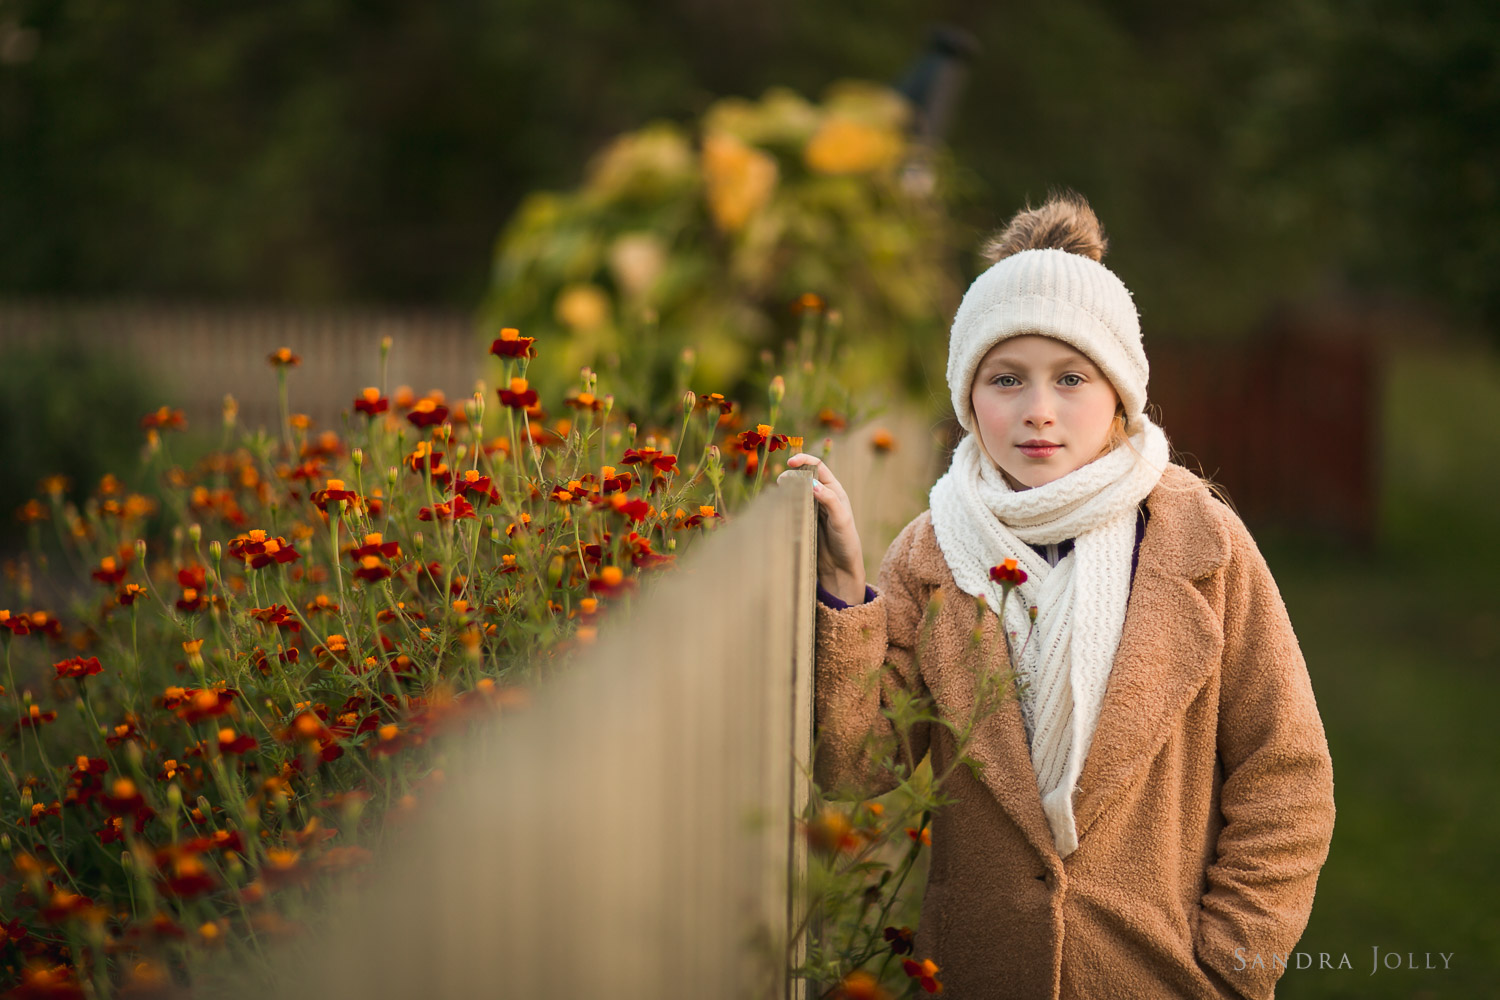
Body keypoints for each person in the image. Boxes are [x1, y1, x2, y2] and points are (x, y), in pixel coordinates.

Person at [779, 192, 1335, 999]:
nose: (1038, 411)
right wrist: (844, 591)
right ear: (970, 398)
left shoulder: (1201, 543)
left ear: (1120, 394)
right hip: (979, 974)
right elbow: (858, 770)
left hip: (1163, 976)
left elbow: (1284, 770)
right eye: (1007, 379)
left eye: (1070, 378)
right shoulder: (932, 555)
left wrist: (1235, 964)